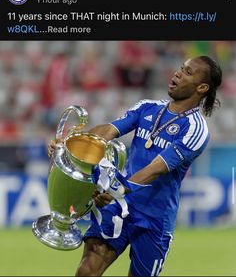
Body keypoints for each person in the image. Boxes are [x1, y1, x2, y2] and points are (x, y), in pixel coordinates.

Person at [48, 55, 222, 277]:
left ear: (202, 87)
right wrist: (70, 146)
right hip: (119, 207)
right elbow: (108, 131)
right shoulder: (148, 107)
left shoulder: (195, 130)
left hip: (154, 220)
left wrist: (114, 190)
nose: (178, 73)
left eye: (188, 72)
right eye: (181, 68)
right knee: (86, 272)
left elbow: (155, 169)